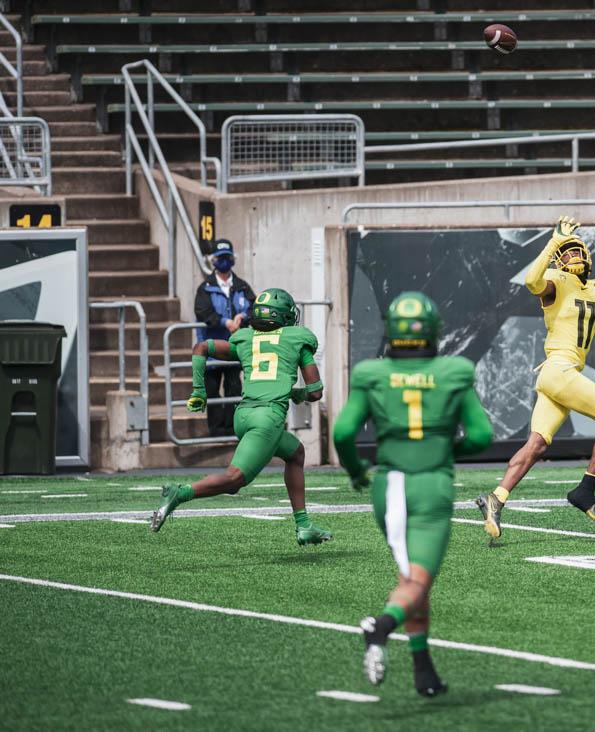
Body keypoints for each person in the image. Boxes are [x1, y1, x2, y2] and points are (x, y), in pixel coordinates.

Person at [332, 291, 492, 696]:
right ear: (434, 330)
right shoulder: (453, 370)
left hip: (390, 486)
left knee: (413, 578)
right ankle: (380, 627)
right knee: (418, 578)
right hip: (432, 484)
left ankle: (424, 671)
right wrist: (444, 448)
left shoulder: (372, 373)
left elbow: (344, 432)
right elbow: (481, 436)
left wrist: (354, 471)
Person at [475, 207, 595, 539]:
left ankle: (496, 498)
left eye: (578, 249)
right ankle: (585, 491)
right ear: (558, 259)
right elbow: (531, 281)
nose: (574, 253)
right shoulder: (555, 281)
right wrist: (554, 242)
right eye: (568, 250)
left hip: (557, 376)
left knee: (536, 444)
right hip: (559, 369)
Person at [152, 288, 332, 547]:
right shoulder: (297, 339)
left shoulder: (246, 338)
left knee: (296, 453)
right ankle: (179, 493)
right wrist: (298, 393)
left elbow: (201, 347)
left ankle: (304, 525)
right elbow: (316, 392)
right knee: (234, 479)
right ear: (283, 317)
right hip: (267, 417)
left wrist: (199, 391)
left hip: (244, 414)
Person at [194, 239, 256, 436]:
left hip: (235, 348)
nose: (224, 261)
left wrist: (243, 317)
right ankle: (216, 428)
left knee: (234, 388)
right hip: (212, 350)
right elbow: (203, 312)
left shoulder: (242, 287)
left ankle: (232, 427)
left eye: (227, 257)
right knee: (211, 390)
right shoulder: (205, 288)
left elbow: (254, 308)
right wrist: (225, 322)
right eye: (220, 258)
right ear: (213, 260)